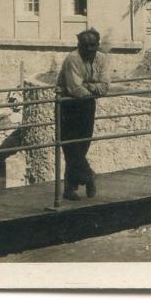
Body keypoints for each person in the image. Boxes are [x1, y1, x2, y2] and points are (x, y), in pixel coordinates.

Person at [57, 28, 109, 200]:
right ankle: (88, 176)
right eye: (85, 45)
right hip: (68, 106)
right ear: (78, 45)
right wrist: (93, 88)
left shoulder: (102, 59)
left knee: (81, 147)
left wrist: (88, 86)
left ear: (98, 45)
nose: (89, 49)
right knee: (69, 147)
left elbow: (105, 87)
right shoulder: (72, 59)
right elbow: (75, 89)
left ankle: (70, 189)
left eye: (93, 45)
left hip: (87, 106)